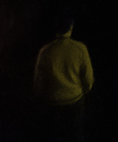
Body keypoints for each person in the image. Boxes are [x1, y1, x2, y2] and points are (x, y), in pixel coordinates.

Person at [33, 12, 94, 142]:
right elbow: (88, 78)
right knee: (76, 135)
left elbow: (38, 81)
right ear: (71, 27)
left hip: (53, 103)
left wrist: (42, 96)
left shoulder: (45, 51)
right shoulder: (80, 48)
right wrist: (85, 91)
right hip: (75, 101)